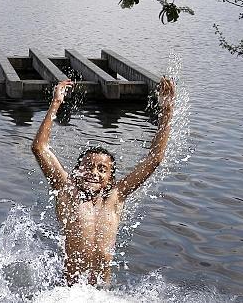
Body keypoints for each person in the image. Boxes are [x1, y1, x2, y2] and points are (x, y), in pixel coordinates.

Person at [31, 78, 176, 286]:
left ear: (110, 179)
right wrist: (55, 104)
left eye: (102, 169)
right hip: (69, 294)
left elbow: (154, 159)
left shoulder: (115, 198)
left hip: (102, 293)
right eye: (88, 166)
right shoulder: (67, 190)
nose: (94, 173)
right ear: (77, 171)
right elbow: (39, 148)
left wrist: (167, 112)